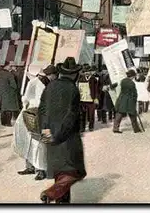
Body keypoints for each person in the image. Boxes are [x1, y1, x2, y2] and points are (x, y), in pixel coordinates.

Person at [38, 57, 86, 204]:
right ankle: (51, 194)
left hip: (48, 133)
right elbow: (71, 117)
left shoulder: (50, 86)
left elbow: (42, 111)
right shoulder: (73, 90)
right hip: (66, 138)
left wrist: (45, 132)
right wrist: (58, 135)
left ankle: (61, 202)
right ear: (74, 74)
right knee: (75, 171)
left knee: (60, 172)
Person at [14, 65, 58, 181]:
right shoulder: (35, 82)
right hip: (32, 116)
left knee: (43, 143)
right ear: (49, 75)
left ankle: (43, 169)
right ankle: (32, 167)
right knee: (32, 142)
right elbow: (25, 99)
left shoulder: (51, 84)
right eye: (53, 75)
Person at [112, 69, 142, 134]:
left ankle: (115, 128)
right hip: (129, 100)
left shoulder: (123, 81)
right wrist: (135, 99)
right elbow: (134, 93)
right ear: (132, 76)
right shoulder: (132, 83)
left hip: (122, 99)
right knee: (133, 115)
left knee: (119, 114)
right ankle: (136, 129)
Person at [78, 65, 97, 132]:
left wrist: (96, 98)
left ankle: (91, 127)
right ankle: (82, 127)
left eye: (88, 71)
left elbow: (96, 89)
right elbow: (79, 88)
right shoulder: (80, 78)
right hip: (82, 99)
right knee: (82, 114)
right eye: (85, 72)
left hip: (91, 99)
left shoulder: (93, 79)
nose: (87, 73)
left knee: (91, 114)